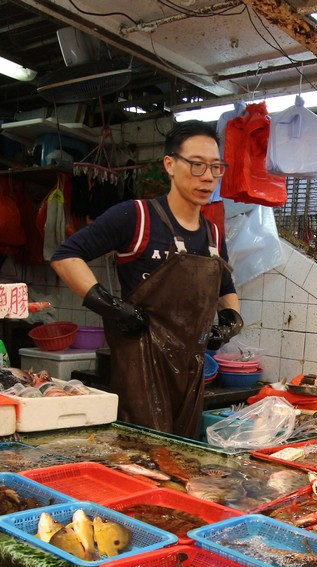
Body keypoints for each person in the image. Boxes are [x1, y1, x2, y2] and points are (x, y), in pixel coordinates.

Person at [51, 120, 242, 437]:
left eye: (215, 167)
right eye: (196, 165)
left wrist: (231, 320)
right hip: (141, 372)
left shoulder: (213, 233)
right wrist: (113, 307)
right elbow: (65, 257)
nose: (207, 176)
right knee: (144, 459)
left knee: (183, 457)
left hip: (191, 375)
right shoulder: (136, 216)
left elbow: (226, 288)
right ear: (170, 164)